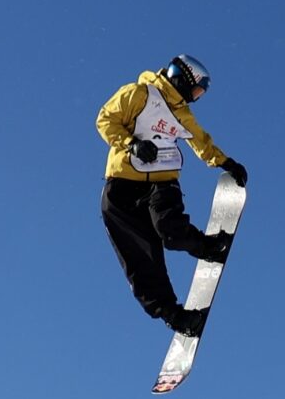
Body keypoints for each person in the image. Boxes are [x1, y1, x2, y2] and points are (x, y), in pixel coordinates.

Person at [96, 54, 248, 335]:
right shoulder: (139, 94)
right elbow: (106, 120)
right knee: (141, 259)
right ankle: (174, 316)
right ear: (183, 78)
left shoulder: (182, 114)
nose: (196, 97)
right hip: (122, 189)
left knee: (171, 230)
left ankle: (207, 247)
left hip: (161, 184)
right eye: (197, 90)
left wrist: (226, 162)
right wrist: (132, 144)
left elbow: (201, 143)